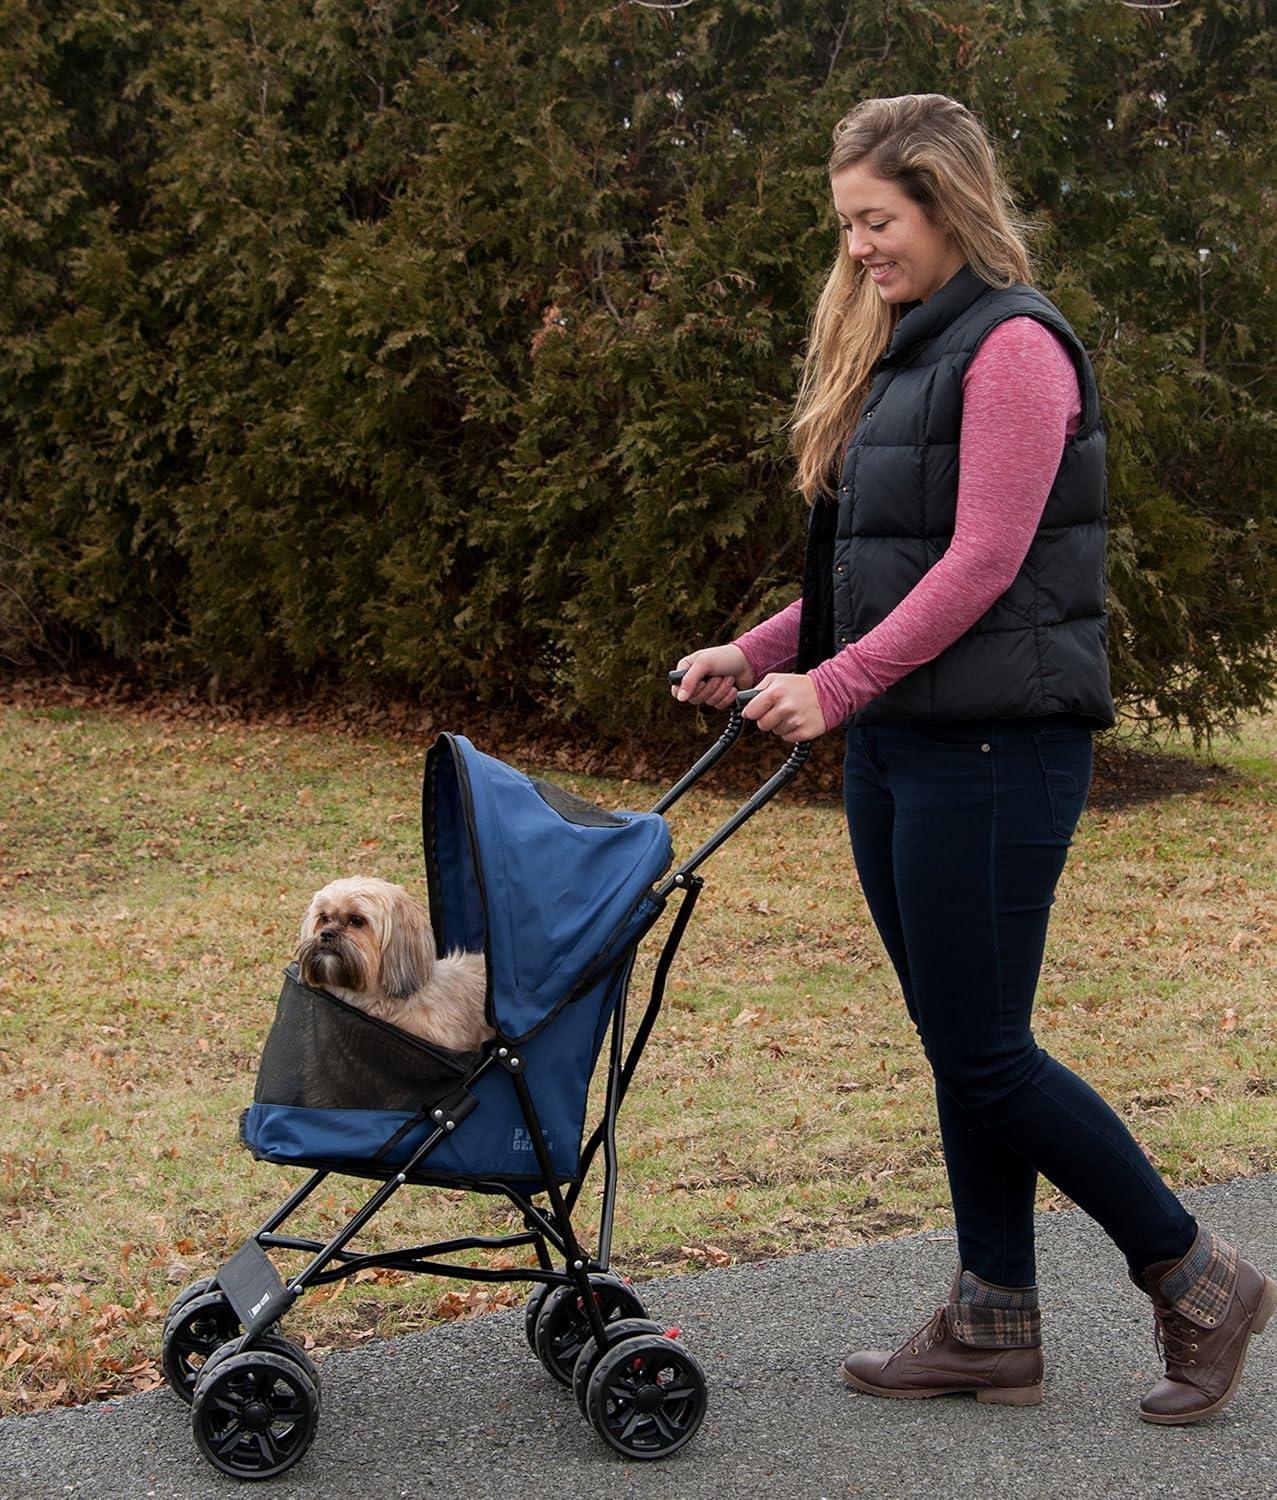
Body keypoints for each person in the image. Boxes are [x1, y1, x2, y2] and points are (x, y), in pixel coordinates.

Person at [673, 93, 1274, 1423]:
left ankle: (1192, 1273)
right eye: (846, 228)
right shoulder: (905, 348)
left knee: (985, 1051)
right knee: (961, 1042)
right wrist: (751, 649)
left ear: (944, 203)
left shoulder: (1010, 349)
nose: (858, 251)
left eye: (875, 222)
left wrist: (829, 686)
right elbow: (867, 574)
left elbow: (983, 562)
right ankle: (992, 1319)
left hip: (996, 747)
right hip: (905, 742)